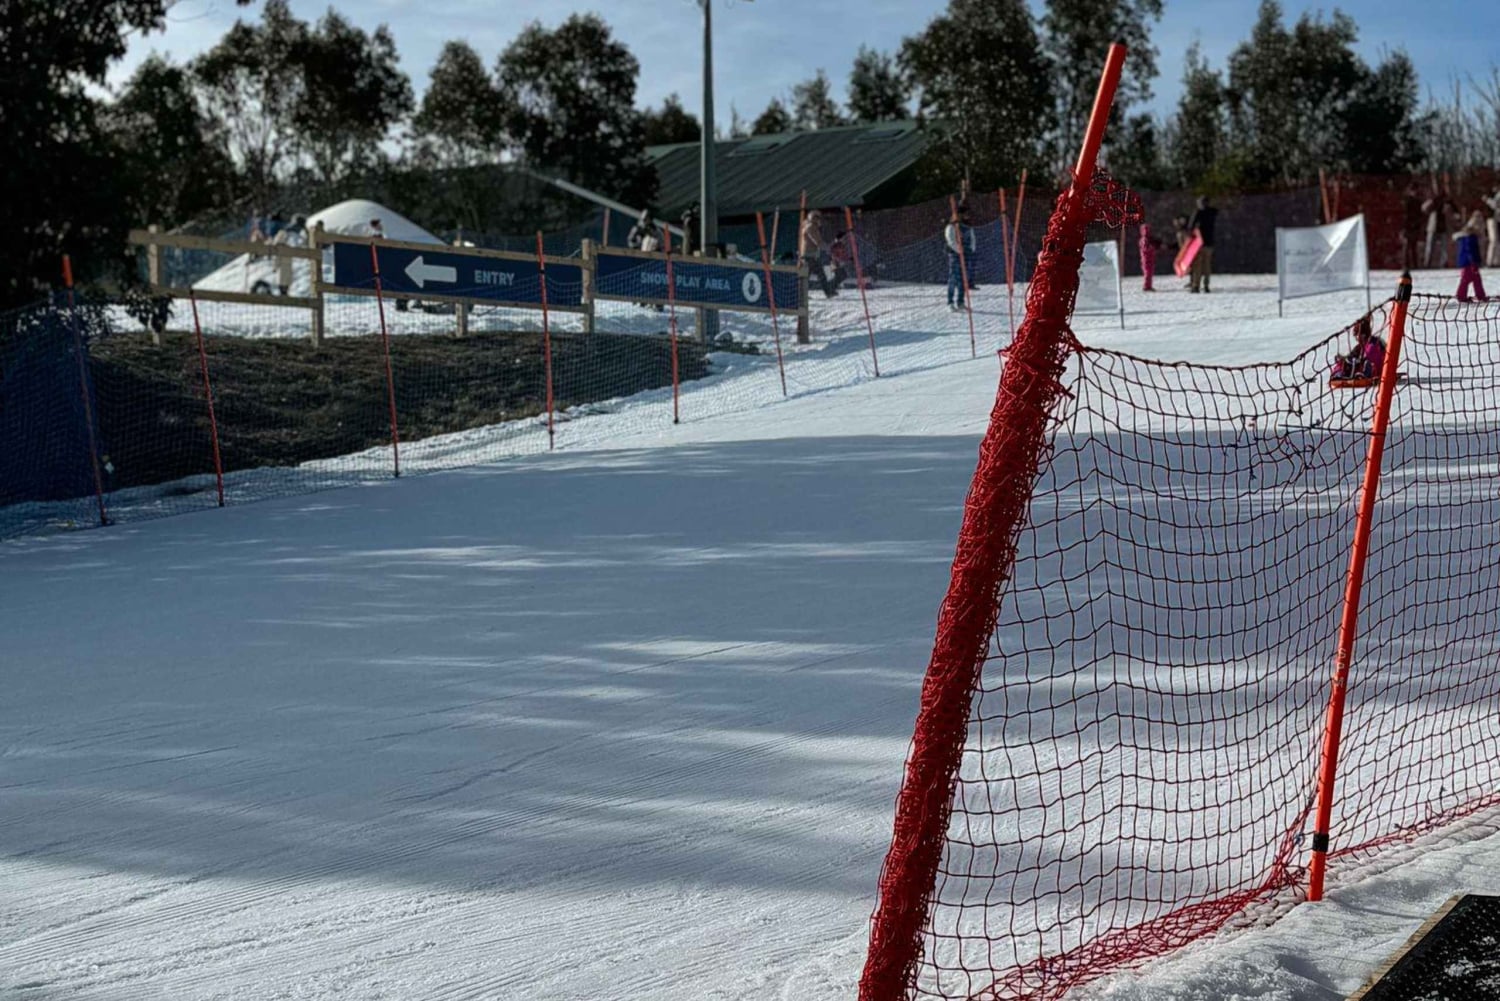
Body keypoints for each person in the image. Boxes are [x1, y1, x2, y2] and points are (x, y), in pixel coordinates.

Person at [1332, 316, 1385, 380]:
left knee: (1359, 363)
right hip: (1373, 370)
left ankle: (1364, 374)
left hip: (1375, 372)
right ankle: (1339, 373)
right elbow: (1351, 356)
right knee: (1344, 362)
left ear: (1363, 335)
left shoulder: (1372, 346)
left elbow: (1372, 359)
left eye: (1356, 335)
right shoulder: (1362, 346)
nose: (1356, 338)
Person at [944, 204, 976, 311]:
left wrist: (971, 248)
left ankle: (960, 302)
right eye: (965, 214)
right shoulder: (952, 226)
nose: (967, 216)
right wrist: (959, 250)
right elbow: (951, 241)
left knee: (963, 278)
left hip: (966, 254)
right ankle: (950, 302)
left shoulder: (967, 226)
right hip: (955, 255)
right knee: (954, 277)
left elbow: (972, 238)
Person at [1454, 211, 1490, 303]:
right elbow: (1469, 250)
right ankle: (1461, 295)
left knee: (1477, 279)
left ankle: (1480, 295)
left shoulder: (1470, 236)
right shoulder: (1470, 237)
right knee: (1466, 279)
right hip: (1469, 263)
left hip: (1470, 262)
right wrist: (1473, 262)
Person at [800, 209, 835, 298]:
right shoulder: (811, 227)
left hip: (811, 254)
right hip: (809, 255)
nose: (819, 220)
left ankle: (828, 292)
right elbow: (817, 240)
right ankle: (828, 292)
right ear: (814, 218)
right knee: (813, 275)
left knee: (813, 274)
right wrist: (827, 248)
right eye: (818, 218)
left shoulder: (811, 226)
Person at [1186, 195, 1218, 293]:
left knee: (1197, 266)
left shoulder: (1198, 212)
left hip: (1199, 243)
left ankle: (1196, 285)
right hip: (1210, 242)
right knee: (1207, 265)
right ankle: (1206, 285)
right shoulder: (1213, 212)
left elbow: (1190, 226)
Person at [269, 214, 307, 296]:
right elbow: (278, 246)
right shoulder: (288, 232)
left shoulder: (290, 232)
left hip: (286, 258)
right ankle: (284, 292)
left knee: (285, 277)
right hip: (284, 258)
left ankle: (284, 292)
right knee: (284, 277)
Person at [1400, 182, 1424, 271]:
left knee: (1413, 246)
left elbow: (1420, 215)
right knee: (1407, 246)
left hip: (1414, 226)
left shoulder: (1417, 202)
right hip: (1408, 226)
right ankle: (1406, 264)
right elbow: (1404, 214)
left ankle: (1414, 264)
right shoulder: (1407, 201)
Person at [1138, 222, 1163, 291]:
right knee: (1147, 273)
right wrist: (1152, 247)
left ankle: (1148, 285)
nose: (1147, 231)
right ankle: (1146, 286)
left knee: (1150, 273)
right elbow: (1145, 248)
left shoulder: (1149, 239)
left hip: (1150, 258)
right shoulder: (1144, 239)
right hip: (1146, 259)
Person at [1173, 215, 1192, 288]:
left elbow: (1187, 241)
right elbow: (1178, 243)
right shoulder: (1179, 231)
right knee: (1189, 267)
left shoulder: (1184, 231)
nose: (1176, 224)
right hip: (1183, 251)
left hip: (1187, 251)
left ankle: (1193, 281)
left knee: (1191, 266)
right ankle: (1192, 281)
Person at [1484, 189, 1500, 268]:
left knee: (1496, 241)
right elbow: (1495, 205)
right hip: (1492, 219)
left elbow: (1495, 205)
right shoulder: (1496, 195)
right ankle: (1490, 261)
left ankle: (1496, 261)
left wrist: (1487, 200)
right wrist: (1487, 200)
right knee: (1494, 240)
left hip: (1496, 219)